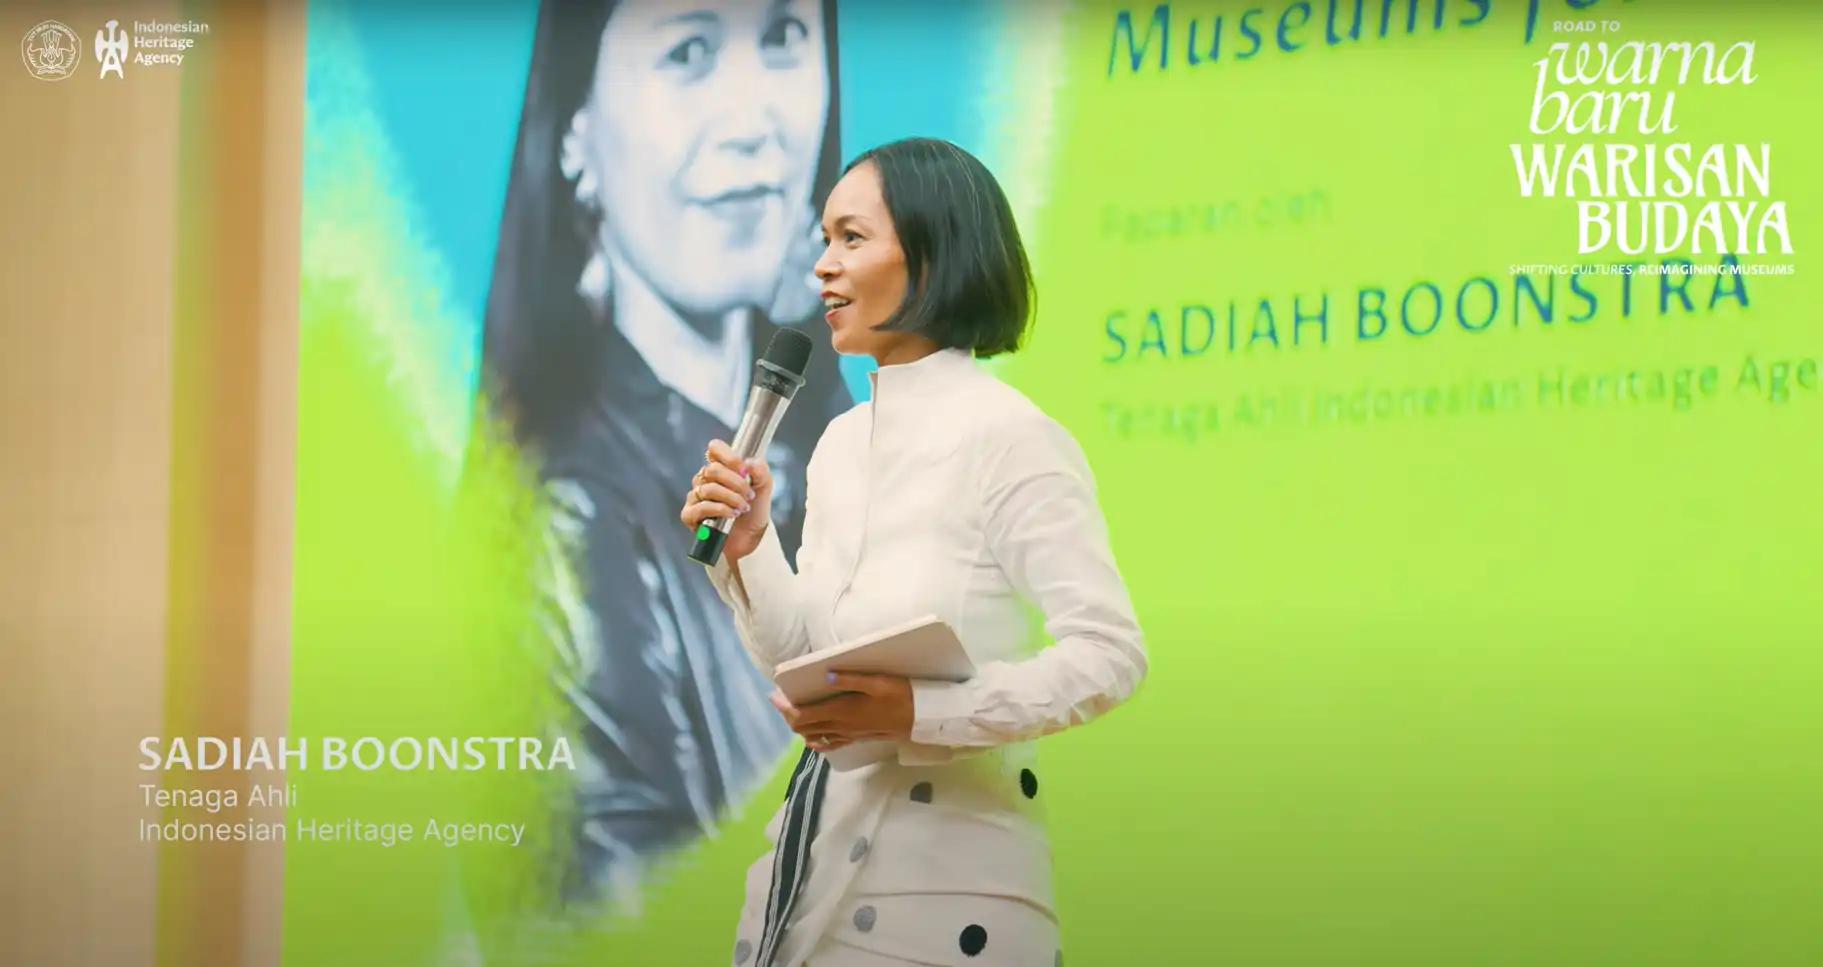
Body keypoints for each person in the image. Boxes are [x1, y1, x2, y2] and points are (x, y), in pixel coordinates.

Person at [679, 137, 1149, 967]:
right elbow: (805, 661)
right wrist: (749, 547)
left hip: (950, 901)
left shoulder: (1009, 436)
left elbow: (1110, 653)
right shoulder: (839, 442)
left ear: (932, 256)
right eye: (823, 239)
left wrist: (917, 713)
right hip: (811, 877)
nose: (823, 265)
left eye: (852, 238)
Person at [475, 0, 854, 907]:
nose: (752, 123)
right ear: (575, 129)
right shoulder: (567, 523)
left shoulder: (842, 447)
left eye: (783, 38)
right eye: (687, 50)